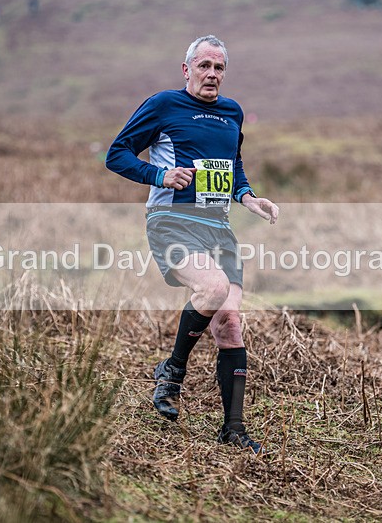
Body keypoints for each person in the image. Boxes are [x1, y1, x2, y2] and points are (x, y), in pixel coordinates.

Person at [106, 35, 279, 454]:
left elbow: (233, 167)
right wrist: (159, 176)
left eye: (219, 68)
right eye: (204, 66)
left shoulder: (232, 112)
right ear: (187, 70)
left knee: (230, 323)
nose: (212, 75)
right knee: (213, 288)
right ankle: (173, 371)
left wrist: (248, 197)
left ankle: (233, 430)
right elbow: (117, 154)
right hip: (171, 222)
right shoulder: (164, 105)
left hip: (218, 228)